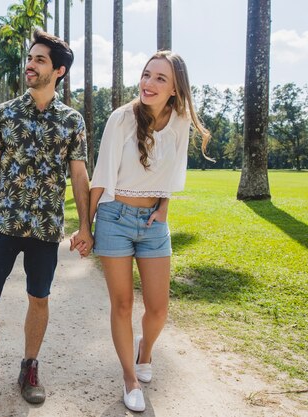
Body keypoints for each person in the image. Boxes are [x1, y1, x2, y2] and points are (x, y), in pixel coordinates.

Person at [0, 29, 93, 405]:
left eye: (39, 60)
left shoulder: (72, 121)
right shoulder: (3, 114)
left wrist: (86, 225)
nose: (30, 64)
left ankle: (30, 367)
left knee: (38, 299)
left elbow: (79, 174)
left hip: (45, 228)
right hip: (3, 224)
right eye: (30, 58)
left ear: (58, 71)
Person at [71, 51, 211, 412]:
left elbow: (171, 174)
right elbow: (100, 176)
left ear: (175, 90)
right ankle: (130, 377)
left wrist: (163, 209)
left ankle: (144, 351)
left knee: (159, 309)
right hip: (115, 218)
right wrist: (86, 227)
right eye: (147, 75)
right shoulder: (121, 119)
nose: (148, 83)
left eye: (160, 78)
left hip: (153, 224)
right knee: (122, 304)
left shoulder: (179, 122)